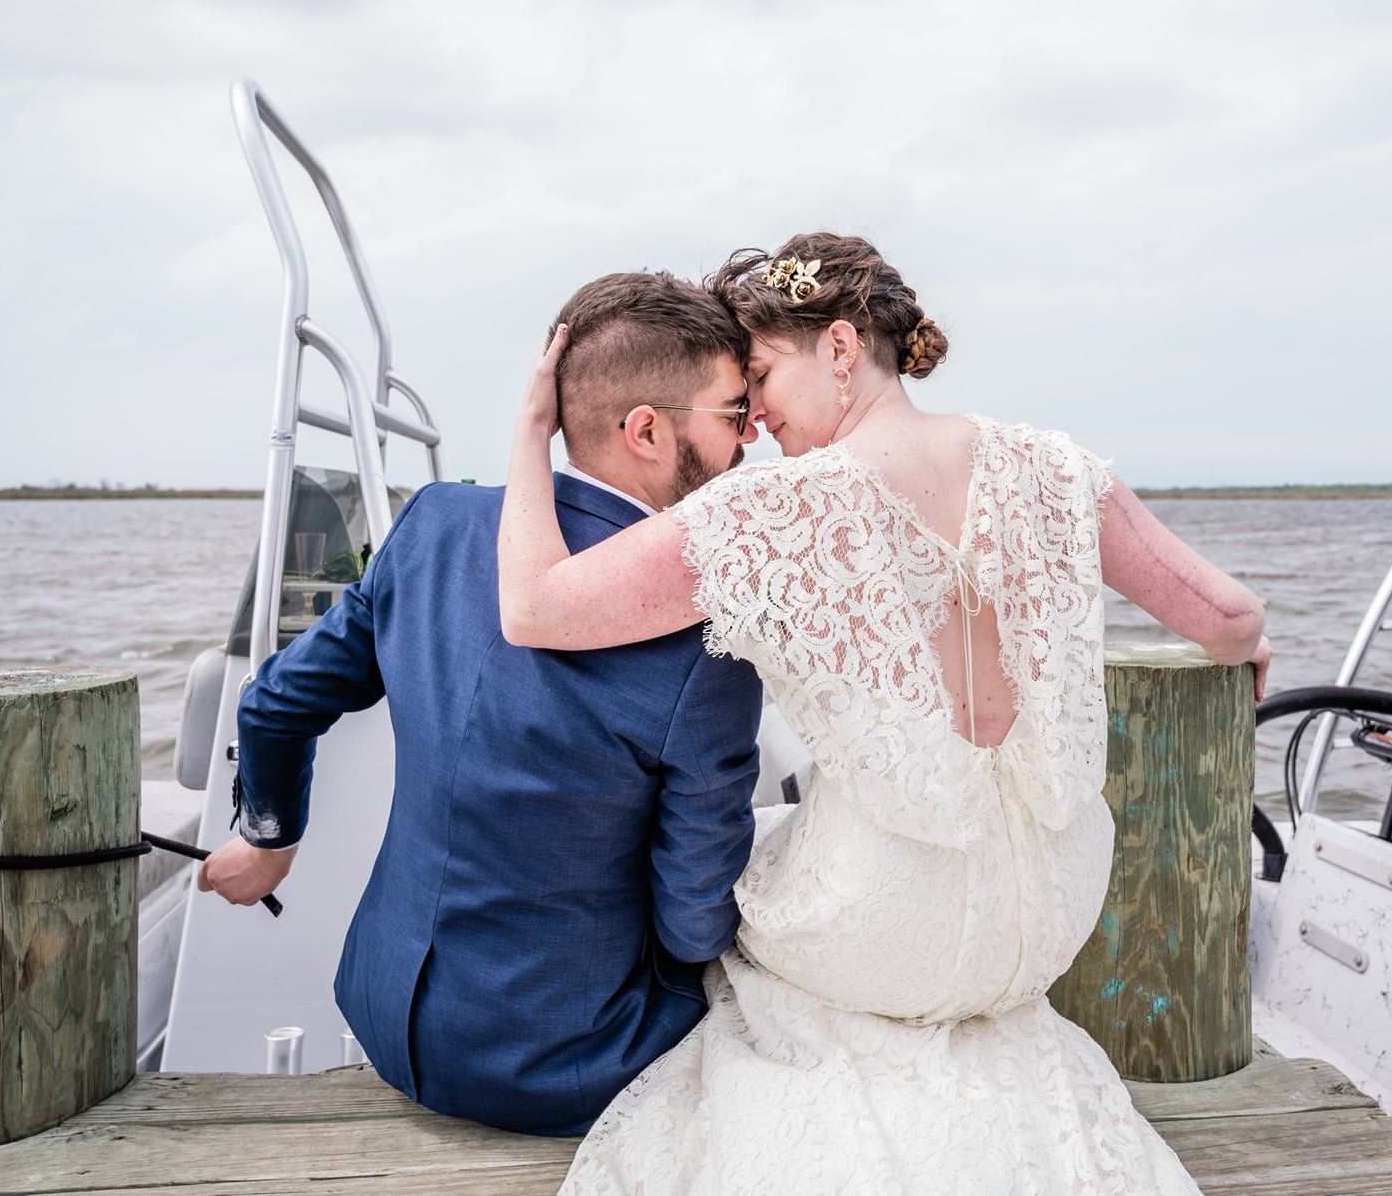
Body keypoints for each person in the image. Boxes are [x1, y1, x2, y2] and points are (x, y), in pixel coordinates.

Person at [497, 234, 1271, 1193]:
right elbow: (1231, 617)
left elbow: (534, 607)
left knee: (747, 888)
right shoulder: (1055, 464)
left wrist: (532, 433)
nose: (755, 417)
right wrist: (1250, 650)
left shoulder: (773, 507)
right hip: (1054, 910)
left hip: (889, 927)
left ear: (838, 345)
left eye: (764, 373)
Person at [196, 271, 766, 1136]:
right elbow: (693, 924)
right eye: (732, 413)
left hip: (385, 1016)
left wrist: (267, 839)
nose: (749, 435)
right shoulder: (711, 638)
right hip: (570, 1065)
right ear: (647, 430)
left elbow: (275, 701)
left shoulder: (431, 525)